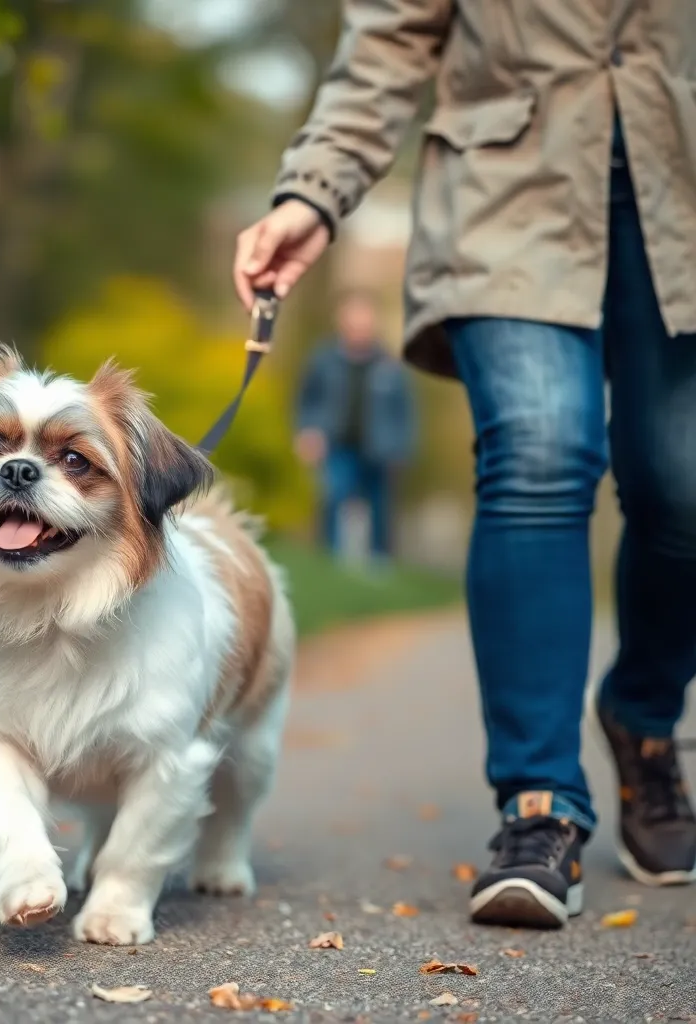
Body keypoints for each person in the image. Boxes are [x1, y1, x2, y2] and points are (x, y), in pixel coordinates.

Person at [233, 2, 696, 929]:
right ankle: (539, 802)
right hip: (508, 190)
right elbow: (390, 36)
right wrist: (314, 192)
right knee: (538, 451)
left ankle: (643, 716)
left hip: (679, 185)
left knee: (681, 489)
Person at [295, 290, 414, 562]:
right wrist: (307, 431)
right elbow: (306, 400)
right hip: (336, 445)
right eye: (353, 316)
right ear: (341, 320)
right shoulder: (323, 359)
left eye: (364, 316)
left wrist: (402, 449)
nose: (359, 323)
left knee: (381, 508)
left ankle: (381, 562)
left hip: (380, 450)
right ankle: (329, 560)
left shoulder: (390, 364)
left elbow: (404, 411)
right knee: (333, 498)